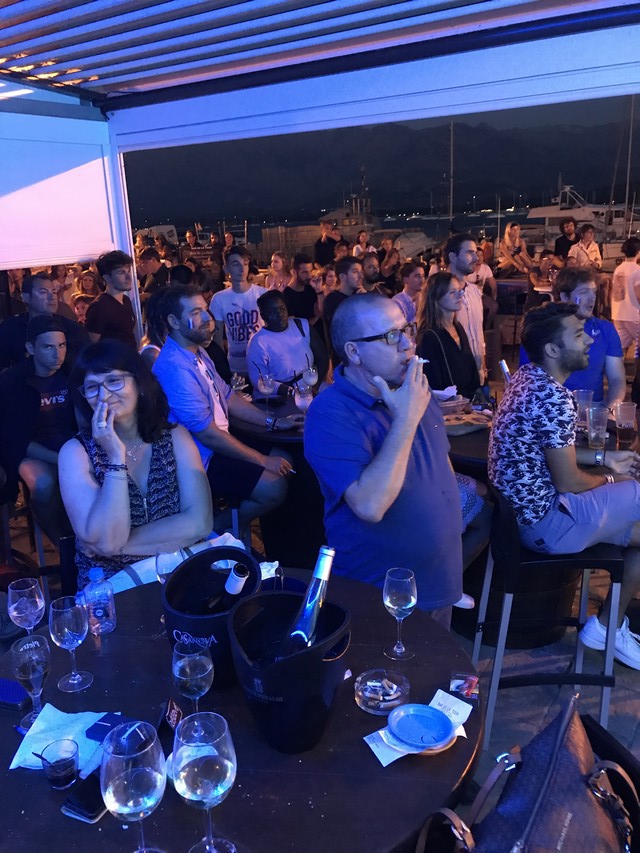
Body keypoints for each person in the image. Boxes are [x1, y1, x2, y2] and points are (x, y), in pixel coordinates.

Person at [489, 302, 640, 669]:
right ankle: (608, 626)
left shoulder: (527, 378)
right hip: (547, 525)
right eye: (577, 334)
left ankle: (610, 626)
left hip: (521, 521)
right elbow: (569, 480)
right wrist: (610, 477)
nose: (589, 340)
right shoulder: (553, 397)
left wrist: (605, 460)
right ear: (553, 350)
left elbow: (546, 452)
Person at [304, 293, 462, 624]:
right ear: (354, 352)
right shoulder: (331, 411)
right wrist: (405, 418)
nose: (407, 344)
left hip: (436, 584)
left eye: (407, 329)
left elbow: (440, 468)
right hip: (381, 598)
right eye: (391, 336)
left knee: (433, 674)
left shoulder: (414, 388)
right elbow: (370, 505)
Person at [59, 339, 212, 590]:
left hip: (178, 576)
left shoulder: (174, 438)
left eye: (114, 381)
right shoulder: (76, 453)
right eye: (92, 387)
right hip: (110, 588)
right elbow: (106, 538)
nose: (104, 395)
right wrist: (115, 458)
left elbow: (199, 523)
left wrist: (114, 546)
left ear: (139, 384)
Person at [153, 285, 302, 535]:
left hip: (218, 442)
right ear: (174, 321)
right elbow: (207, 434)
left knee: (286, 458)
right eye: (196, 312)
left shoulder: (198, 352)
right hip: (200, 460)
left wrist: (273, 422)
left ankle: (239, 528)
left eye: (206, 311)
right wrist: (263, 460)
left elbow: (229, 396)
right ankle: (215, 530)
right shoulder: (174, 366)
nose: (207, 319)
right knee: (273, 487)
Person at [0, 316, 76, 544]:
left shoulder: (73, 373)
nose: (57, 354)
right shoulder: (13, 383)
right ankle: (62, 542)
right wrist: (60, 458)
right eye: (48, 347)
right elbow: (16, 439)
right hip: (32, 450)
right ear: (30, 348)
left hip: (71, 445)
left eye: (61, 345)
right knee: (42, 484)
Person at [0, 272, 89, 369]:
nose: (52, 297)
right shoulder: (10, 328)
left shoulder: (73, 329)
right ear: (26, 297)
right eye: (43, 292)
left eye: (54, 292)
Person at [247, 290, 328, 394]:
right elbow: (258, 380)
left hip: (311, 384)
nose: (280, 315)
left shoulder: (302, 326)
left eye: (282, 309)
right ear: (263, 316)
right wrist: (292, 392)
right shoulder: (257, 342)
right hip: (279, 395)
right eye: (273, 312)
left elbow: (322, 357)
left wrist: (315, 386)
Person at [416, 272, 480, 399]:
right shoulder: (429, 336)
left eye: (459, 290)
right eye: (452, 292)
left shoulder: (458, 327)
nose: (459, 295)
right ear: (436, 297)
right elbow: (432, 381)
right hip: (447, 408)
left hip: (467, 403)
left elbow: (469, 366)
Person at [210, 245, 265, 376]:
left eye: (245, 264)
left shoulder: (263, 295)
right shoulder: (219, 299)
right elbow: (217, 338)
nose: (242, 269)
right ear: (226, 268)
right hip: (235, 368)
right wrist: (222, 367)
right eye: (236, 264)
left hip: (263, 365)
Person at [446, 233, 485, 384]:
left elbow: (478, 333)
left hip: (477, 373)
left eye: (475, 253)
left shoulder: (475, 291)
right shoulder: (440, 294)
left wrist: (483, 368)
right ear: (453, 257)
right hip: (454, 376)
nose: (476, 258)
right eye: (469, 253)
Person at [85, 250, 137, 349]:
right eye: (121, 272)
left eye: (128, 271)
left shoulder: (126, 300)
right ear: (107, 278)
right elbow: (93, 345)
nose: (128, 277)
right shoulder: (99, 307)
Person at [610, 237, 640, 356]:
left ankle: (615, 373)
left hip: (618, 313)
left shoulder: (619, 269)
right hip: (634, 314)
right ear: (638, 252)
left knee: (620, 350)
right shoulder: (637, 270)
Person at [282, 253, 319, 323]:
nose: (309, 276)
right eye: (305, 272)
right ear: (294, 272)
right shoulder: (287, 296)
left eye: (310, 271)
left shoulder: (311, 288)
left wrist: (319, 290)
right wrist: (316, 317)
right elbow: (295, 327)